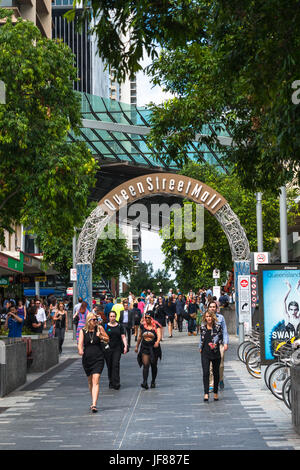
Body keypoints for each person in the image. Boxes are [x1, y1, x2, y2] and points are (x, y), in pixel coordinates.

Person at [78, 312, 109, 413]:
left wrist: (100, 336)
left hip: (98, 357)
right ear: (89, 320)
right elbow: (80, 343)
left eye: (96, 319)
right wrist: (80, 350)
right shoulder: (83, 331)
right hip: (87, 358)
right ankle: (93, 400)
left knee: (96, 380)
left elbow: (107, 339)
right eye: (94, 320)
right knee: (90, 381)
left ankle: (94, 404)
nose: (96, 321)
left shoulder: (99, 328)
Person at [199, 310, 223, 402]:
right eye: (207, 316)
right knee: (206, 373)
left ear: (213, 317)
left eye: (210, 316)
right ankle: (206, 393)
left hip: (215, 352)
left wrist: (216, 344)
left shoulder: (217, 327)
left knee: (216, 373)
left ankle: (216, 392)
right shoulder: (202, 327)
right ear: (205, 318)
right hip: (205, 352)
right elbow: (202, 338)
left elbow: (220, 339)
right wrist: (200, 347)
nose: (208, 318)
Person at [135, 313, 162, 389]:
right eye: (146, 317)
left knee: (153, 365)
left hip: (154, 348)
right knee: (146, 364)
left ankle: (153, 381)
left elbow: (159, 335)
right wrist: (137, 346)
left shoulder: (156, 326)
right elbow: (140, 336)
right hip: (145, 347)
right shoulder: (142, 326)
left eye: (148, 318)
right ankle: (145, 382)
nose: (147, 319)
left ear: (151, 318)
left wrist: (157, 342)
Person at [207, 301, 229, 391]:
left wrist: (226, 343)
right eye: (211, 307)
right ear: (208, 308)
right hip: (209, 345)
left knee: (220, 365)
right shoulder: (206, 317)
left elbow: (224, 331)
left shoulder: (221, 318)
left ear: (216, 308)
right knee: (211, 366)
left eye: (214, 307)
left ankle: (220, 379)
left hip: (219, 344)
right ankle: (211, 383)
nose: (212, 308)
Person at [104, 311, 128, 390]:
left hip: (117, 348)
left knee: (116, 364)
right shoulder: (105, 326)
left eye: (114, 316)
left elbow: (123, 336)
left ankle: (116, 383)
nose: (112, 318)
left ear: (116, 317)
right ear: (109, 317)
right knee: (110, 365)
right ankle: (111, 381)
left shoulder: (119, 326)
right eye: (111, 316)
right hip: (108, 349)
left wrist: (125, 346)